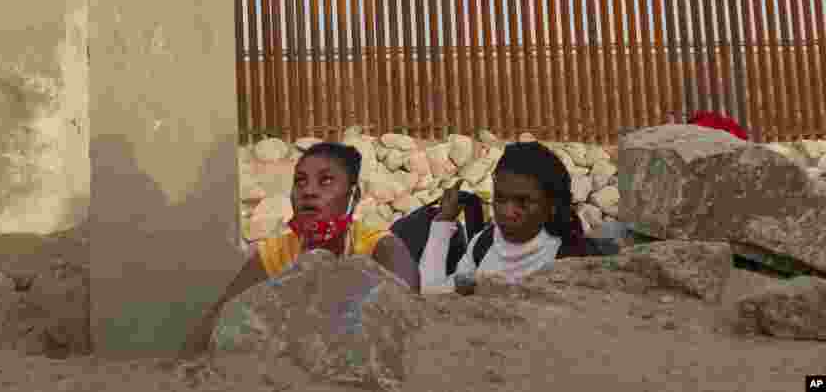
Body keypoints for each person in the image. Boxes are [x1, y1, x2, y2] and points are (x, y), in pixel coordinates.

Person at [180, 141, 420, 358]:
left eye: (325, 181)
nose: (309, 191)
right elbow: (215, 325)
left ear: (354, 196)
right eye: (300, 181)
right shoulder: (275, 254)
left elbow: (413, 326)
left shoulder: (381, 249)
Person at [420, 142, 617, 295]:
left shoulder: (567, 258)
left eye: (523, 202)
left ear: (552, 206)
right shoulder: (485, 242)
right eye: (500, 198)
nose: (507, 212)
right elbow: (432, 295)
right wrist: (443, 221)